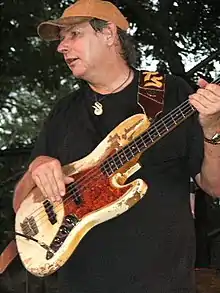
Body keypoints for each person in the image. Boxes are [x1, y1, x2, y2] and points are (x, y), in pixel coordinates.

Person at [13, 0, 220, 292]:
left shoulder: (170, 92)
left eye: (74, 35)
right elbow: (20, 201)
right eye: (61, 40)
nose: (62, 47)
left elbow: (215, 185)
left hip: (163, 283)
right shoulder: (64, 112)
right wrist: (38, 166)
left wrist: (212, 129)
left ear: (109, 34)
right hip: (80, 284)